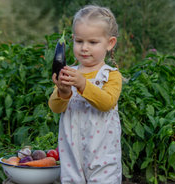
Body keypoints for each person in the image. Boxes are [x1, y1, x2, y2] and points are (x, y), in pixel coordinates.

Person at [48, 5, 123, 184]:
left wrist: (83, 84)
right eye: (79, 41)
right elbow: (55, 108)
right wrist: (63, 92)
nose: (84, 48)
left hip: (102, 153)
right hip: (71, 152)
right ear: (73, 39)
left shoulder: (110, 75)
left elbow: (106, 103)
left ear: (110, 43)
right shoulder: (68, 72)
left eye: (93, 42)